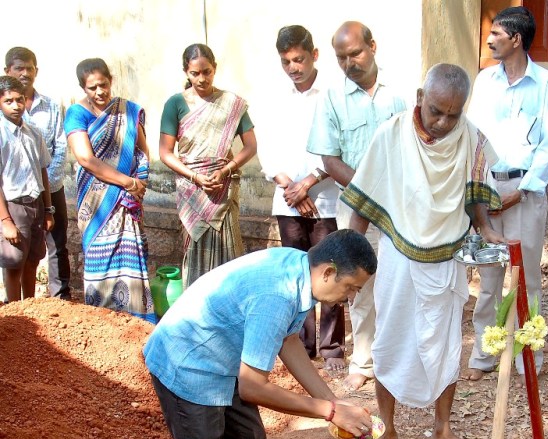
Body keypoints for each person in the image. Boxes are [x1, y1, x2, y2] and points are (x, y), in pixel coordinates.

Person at [144, 229, 376, 439]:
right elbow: (252, 387)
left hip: (226, 365)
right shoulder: (277, 294)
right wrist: (329, 412)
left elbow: (288, 338)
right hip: (188, 367)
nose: (351, 297)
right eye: (350, 287)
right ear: (329, 272)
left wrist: (332, 401)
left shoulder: (301, 270)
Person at [342, 64, 502, 439]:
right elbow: (364, 195)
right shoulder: (391, 135)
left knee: (446, 344)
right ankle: (387, 430)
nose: (445, 122)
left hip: (447, 257)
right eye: (436, 111)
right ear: (419, 97)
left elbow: (476, 191)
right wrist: (348, 252)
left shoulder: (471, 138)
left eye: (454, 113)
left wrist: (485, 226)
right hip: (399, 255)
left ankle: (443, 428)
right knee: (389, 341)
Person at [464, 6, 548, 380]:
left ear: (517, 39)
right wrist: (480, 192)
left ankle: (526, 356)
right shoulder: (486, 80)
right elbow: (472, 138)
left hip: (527, 190)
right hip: (488, 188)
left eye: (496, 35)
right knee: (487, 277)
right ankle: (484, 355)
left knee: (525, 277)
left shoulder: (546, 84)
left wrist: (522, 191)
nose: (489, 40)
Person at [307, 21, 407, 390]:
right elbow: (330, 159)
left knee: (397, 283)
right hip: (355, 208)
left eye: (356, 53)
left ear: (373, 47)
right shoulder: (331, 99)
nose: (349, 62)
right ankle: (363, 362)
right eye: (341, 57)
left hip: (399, 207)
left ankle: (395, 361)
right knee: (358, 285)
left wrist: (391, 194)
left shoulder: (398, 96)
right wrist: (370, 191)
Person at [264, 25, 346, 371]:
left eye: (299, 59)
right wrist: (290, 186)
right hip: (287, 200)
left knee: (330, 271)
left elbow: (340, 145)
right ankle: (303, 344)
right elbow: (266, 150)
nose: (293, 67)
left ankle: (332, 349)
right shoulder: (275, 98)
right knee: (296, 274)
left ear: (314, 55)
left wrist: (310, 182)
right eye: (286, 62)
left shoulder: (334, 95)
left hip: (325, 199)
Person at [158, 43, 258, 288]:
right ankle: (196, 313)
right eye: (195, 73)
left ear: (215, 69)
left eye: (207, 72)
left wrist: (225, 170)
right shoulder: (175, 104)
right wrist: (195, 177)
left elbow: (250, 146)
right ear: (186, 72)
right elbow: (165, 152)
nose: (201, 79)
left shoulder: (232, 104)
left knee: (229, 249)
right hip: (192, 192)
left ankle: (229, 310)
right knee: (194, 251)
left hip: (223, 189)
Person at [64, 58, 155, 322]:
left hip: (126, 201)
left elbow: (142, 150)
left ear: (110, 80)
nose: (100, 92)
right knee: (98, 257)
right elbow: (86, 159)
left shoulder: (127, 111)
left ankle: (135, 319)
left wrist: (140, 182)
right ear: (83, 88)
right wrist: (127, 182)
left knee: (128, 254)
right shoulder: (76, 113)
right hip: (96, 203)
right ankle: (100, 320)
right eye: (92, 88)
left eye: (103, 85)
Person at [5, 47, 70, 300]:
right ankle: (14, 309)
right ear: (7, 71)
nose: (24, 73)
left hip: (50, 190)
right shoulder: (4, 115)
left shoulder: (51, 106)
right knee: (15, 254)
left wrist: (47, 192)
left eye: (29, 68)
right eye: (18, 68)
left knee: (54, 246)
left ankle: (58, 297)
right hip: (16, 196)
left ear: (36, 71)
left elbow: (60, 146)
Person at [0, 75, 54, 301]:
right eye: (9, 101)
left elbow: (43, 171)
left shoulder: (34, 133)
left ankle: (30, 305)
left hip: (36, 204)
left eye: (20, 100)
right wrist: (5, 221)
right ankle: (15, 315)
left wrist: (49, 209)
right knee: (14, 262)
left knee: (33, 259)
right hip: (14, 206)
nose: (16, 106)